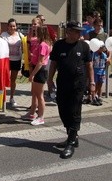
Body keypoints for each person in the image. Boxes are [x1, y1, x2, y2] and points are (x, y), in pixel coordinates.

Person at [47, 21, 94, 159]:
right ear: (68, 31)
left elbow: (89, 65)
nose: (80, 33)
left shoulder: (84, 46)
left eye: (80, 31)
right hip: (62, 82)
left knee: (74, 111)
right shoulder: (59, 45)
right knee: (63, 110)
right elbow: (53, 64)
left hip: (78, 84)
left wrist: (91, 83)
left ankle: (71, 142)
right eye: (77, 31)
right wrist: (49, 80)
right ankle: (72, 135)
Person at [23, 25, 51, 125]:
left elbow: (40, 62)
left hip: (40, 71)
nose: (36, 34)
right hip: (37, 69)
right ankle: (32, 114)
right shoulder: (41, 43)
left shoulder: (43, 45)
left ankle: (41, 116)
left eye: (37, 32)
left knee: (39, 95)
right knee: (35, 93)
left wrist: (32, 74)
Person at [1, 18, 23, 109]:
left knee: (13, 80)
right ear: (7, 26)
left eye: (14, 26)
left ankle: (12, 97)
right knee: (4, 79)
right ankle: (2, 98)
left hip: (16, 60)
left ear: (16, 26)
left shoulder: (20, 35)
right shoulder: (3, 35)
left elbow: (25, 45)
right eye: (10, 26)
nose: (12, 27)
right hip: (6, 60)